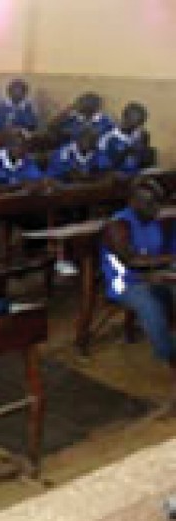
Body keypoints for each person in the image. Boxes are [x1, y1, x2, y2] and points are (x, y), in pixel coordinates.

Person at [101, 179, 176, 402]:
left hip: (150, 276)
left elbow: (157, 256)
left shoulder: (153, 221)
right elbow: (131, 261)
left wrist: (166, 271)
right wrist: (169, 262)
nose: (155, 209)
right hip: (124, 282)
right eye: (150, 204)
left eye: (157, 204)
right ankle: (170, 356)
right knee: (149, 305)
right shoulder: (118, 225)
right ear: (133, 202)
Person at [0, 128, 47, 259]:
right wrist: (20, 185)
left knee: (38, 223)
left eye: (25, 145)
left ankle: (28, 255)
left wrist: (32, 185)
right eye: (17, 145)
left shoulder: (26, 159)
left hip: (12, 202)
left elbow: (37, 181)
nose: (22, 149)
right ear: (8, 145)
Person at [98, 102, 151, 176]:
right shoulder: (108, 136)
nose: (138, 126)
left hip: (135, 176)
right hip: (112, 177)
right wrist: (127, 151)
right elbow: (104, 167)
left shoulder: (141, 134)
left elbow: (144, 161)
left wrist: (144, 148)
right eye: (134, 121)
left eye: (141, 123)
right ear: (124, 117)